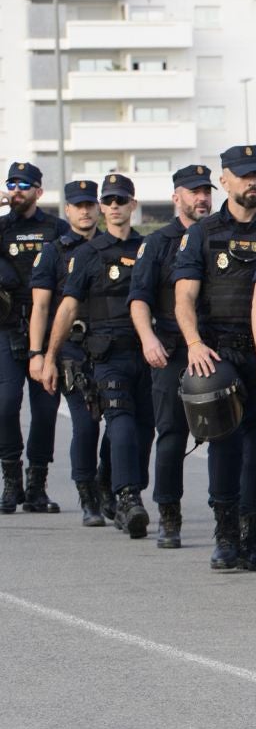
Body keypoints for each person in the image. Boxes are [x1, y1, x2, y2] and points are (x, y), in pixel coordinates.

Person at [173, 145, 256, 572]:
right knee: (224, 443)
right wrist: (194, 343)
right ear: (225, 180)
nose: (251, 182)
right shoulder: (202, 234)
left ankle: (252, 537)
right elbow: (184, 297)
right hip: (217, 351)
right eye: (243, 175)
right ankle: (225, 536)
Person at [38, 174, 150, 536]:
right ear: (104, 208)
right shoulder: (86, 254)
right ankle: (119, 496)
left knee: (142, 430)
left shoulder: (149, 249)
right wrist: (48, 356)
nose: (114, 207)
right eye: (109, 201)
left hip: (145, 353)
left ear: (133, 204)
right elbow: (66, 308)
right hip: (102, 352)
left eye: (122, 200)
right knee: (110, 423)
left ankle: (111, 483)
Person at [128, 163, 215, 548]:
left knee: (229, 433)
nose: (202, 198)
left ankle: (233, 517)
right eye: (193, 191)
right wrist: (148, 339)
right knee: (172, 433)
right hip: (172, 349)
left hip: (215, 347)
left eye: (206, 191)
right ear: (175, 196)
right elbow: (139, 298)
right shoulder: (158, 242)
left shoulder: (217, 237)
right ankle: (168, 513)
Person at [30, 181, 105, 518]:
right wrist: (40, 355)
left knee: (121, 426)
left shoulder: (113, 246)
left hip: (114, 347)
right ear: (68, 210)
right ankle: (88, 494)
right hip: (72, 348)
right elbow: (42, 308)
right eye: (78, 205)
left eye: (90, 204)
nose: (85, 211)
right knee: (86, 423)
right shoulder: (54, 251)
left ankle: (111, 487)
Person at [0, 161, 62, 514]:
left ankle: (37, 485)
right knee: (6, 405)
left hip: (48, 329)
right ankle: (12, 482)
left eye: (24, 184)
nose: (17, 189)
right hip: (6, 328)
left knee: (45, 410)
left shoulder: (55, 229)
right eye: (11, 183)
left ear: (39, 190)